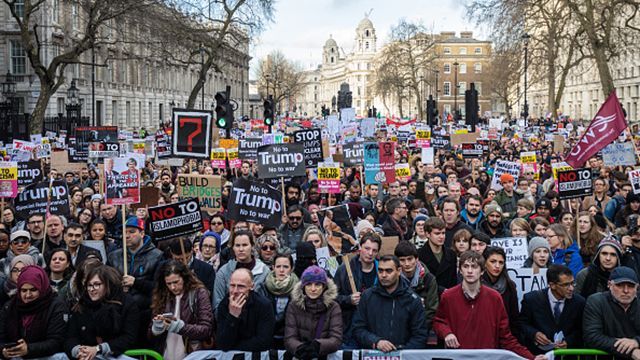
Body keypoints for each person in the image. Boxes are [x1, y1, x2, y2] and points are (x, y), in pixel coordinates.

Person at [433, 251, 539, 359]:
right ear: (460, 270)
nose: (470, 271)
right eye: (466, 266)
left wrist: (531, 357)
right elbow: (439, 321)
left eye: (474, 267)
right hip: (458, 357)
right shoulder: (448, 296)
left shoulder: (495, 298)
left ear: (482, 271)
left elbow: (506, 338)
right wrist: (446, 333)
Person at [352, 255, 429, 350]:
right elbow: (358, 329)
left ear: (399, 271)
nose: (383, 275)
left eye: (389, 271)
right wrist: (376, 342)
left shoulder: (413, 300)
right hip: (372, 354)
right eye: (380, 271)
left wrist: (401, 354)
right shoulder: (367, 296)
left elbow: (420, 335)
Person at [65, 266, 140, 359]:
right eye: (89, 285)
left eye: (97, 284)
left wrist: (98, 349)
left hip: (118, 355)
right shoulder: (82, 304)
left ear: (108, 284)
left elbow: (129, 337)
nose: (92, 289)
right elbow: (71, 337)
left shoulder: (127, 304)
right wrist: (78, 350)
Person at [0, 266, 68, 359]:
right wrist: (4, 350)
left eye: (33, 290)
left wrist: (28, 349)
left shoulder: (56, 306)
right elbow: (1, 337)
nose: (28, 295)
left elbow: (56, 342)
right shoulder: (10, 306)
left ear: (42, 288)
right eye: (23, 290)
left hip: (45, 356)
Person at [150, 260, 214, 358]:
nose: (173, 287)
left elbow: (206, 329)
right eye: (168, 283)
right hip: (166, 351)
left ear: (184, 278)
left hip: (191, 353)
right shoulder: (162, 295)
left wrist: (182, 327)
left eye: (176, 282)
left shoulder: (199, 293)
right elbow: (150, 332)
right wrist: (156, 328)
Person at [517, 264, 586, 355]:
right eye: (566, 285)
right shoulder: (531, 299)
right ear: (552, 285)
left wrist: (568, 342)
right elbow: (522, 323)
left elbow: (582, 329)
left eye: (572, 283)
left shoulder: (579, 302)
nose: (571, 288)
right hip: (539, 355)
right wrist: (534, 334)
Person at [284, 265, 342, 359]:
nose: (313, 289)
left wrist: (317, 346)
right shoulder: (294, 306)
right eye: (309, 284)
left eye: (318, 284)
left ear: (324, 287)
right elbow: (289, 337)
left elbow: (336, 339)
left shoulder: (333, 307)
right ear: (303, 287)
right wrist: (299, 348)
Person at [334, 232, 380, 346]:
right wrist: (348, 300)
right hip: (350, 327)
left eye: (374, 250)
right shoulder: (345, 270)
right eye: (367, 248)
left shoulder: (383, 270)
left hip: (376, 326)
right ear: (360, 247)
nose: (370, 253)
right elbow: (332, 298)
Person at [107, 216, 163, 310]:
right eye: (124, 232)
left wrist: (136, 282)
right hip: (118, 309)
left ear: (142, 234)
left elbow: (160, 288)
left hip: (144, 311)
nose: (127, 235)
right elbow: (106, 282)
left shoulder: (157, 256)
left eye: (132, 232)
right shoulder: (113, 256)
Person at [583, 266, 640, 358]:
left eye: (630, 286)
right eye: (620, 285)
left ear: (637, 287)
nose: (626, 291)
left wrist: (636, 341)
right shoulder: (596, 301)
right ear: (609, 285)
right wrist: (631, 350)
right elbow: (592, 337)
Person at [216, 268, 275, 352]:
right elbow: (222, 344)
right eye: (232, 285)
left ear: (252, 287)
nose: (235, 291)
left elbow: (264, 342)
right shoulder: (224, 304)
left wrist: (234, 347)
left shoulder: (264, 305)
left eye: (241, 286)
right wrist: (233, 316)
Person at [213, 230, 270, 310]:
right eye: (237, 245)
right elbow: (217, 306)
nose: (241, 249)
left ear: (252, 246)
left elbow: (269, 305)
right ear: (233, 247)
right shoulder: (223, 272)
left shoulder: (264, 271)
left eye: (245, 245)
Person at [256, 252, 299, 349]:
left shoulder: (299, 290)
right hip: (267, 338)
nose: (281, 270)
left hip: (291, 338)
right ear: (273, 267)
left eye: (285, 267)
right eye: (278, 266)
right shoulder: (262, 288)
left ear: (292, 268)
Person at [394, 241, 439, 331]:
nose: (406, 264)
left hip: (421, 327)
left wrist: (417, 327)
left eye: (410, 259)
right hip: (398, 328)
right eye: (402, 260)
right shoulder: (394, 279)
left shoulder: (429, 279)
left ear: (416, 259)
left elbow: (432, 310)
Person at [481, 246, 519, 334]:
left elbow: (514, 318)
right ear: (485, 263)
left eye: (501, 262)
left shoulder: (510, 286)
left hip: (504, 334)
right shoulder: (476, 285)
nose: (497, 266)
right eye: (493, 261)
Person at [417, 217, 458, 293]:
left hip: (448, 297)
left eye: (443, 233)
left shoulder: (451, 254)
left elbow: (454, 280)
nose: (441, 237)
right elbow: (422, 282)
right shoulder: (419, 255)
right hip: (430, 297)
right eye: (437, 233)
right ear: (427, 234)